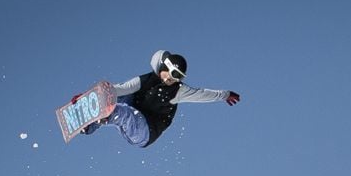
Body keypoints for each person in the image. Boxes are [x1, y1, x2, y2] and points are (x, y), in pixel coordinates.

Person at [76, 50, 240, 148]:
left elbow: (202, 94)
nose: (172, 79)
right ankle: (88, 125)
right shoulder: (147, 79)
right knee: (120, 93)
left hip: (145, 131)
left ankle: (101, 116)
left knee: (122, 111)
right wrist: (89, 98)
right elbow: (120, 89)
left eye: (178, 77)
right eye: (172, 73)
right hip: (134, 112)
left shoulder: (178, 91)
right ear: (164, 67)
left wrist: (225, 95)